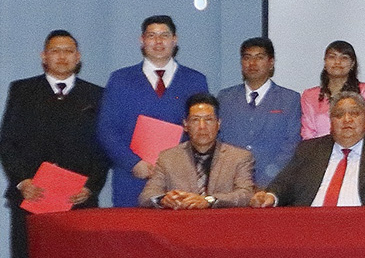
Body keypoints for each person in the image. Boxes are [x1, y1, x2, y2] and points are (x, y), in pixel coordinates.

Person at [0, 30, 109, 258]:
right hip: (33, 197)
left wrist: (91, 187)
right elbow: (7, 143)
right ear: (43, 56)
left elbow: (103, 149)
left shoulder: (95, 95)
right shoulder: (22, 91)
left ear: (78, 57)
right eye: (55, 51)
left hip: (79, 201)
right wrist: (22, 182)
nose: (62, 56)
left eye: (68, 51)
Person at [97, 15, 209, 207]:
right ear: (142, 41)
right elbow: (106, 130)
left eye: (164, 35)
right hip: (132, 180)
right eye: (151, 36)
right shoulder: (120, 80)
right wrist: (133, 163)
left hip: (181, 182)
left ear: (175, 40)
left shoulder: (195, 81)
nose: (158, 41)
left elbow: (203, 131)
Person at [252, 92, 365, 207]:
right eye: (339, 115)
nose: (347, 119)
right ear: (331, 123)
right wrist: (270, 196)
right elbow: (284, 182)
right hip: (312, 225)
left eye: (354, 114)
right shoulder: (309, 149)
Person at [138, 93, 255, 208]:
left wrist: (208, 200)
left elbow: (245, 194)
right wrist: (163, 199)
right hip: (180, 224)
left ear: (218, 124)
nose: (202, 126)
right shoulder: (168, 157)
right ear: (185, 124)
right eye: (195, 120)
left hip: (222, 224)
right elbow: (146, 196)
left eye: (208, 119)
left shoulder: (239, 157)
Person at [216, 37, 302, 187]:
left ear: (271, 63)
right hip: (230, 184)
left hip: (275, 184)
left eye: (259, 57)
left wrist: (267, 179)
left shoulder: (290, 99)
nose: (252, 63)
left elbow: (292, 144)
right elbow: (218, 141)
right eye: (247, 58)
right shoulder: (224, 98)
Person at [300, 40, 365, 139]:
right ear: (325, 62)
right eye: (332, 57)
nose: (337, 62)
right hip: (319, 151)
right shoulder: (310, 95)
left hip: (357, 151)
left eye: (344, 58)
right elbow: (307, 133)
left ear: (352, 64)